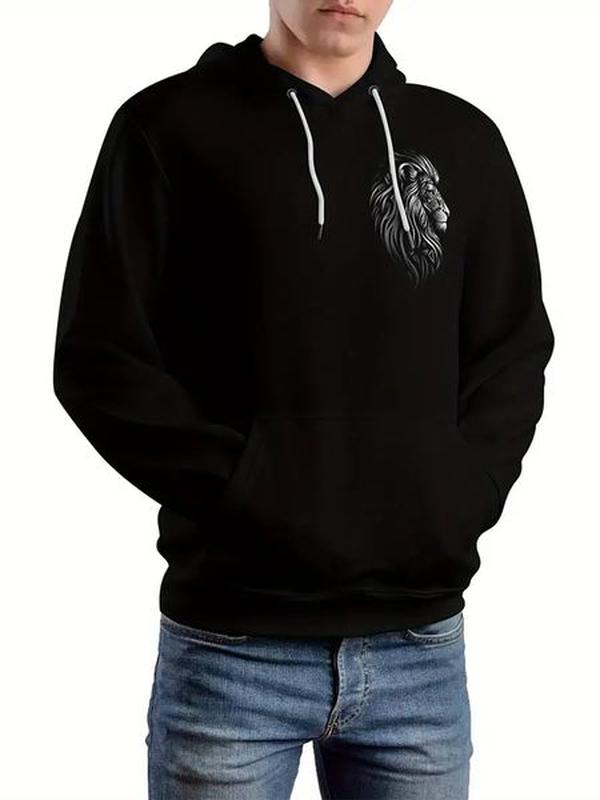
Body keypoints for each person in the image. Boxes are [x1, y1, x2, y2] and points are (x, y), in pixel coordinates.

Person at [52, 0, 555, 797]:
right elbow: (100, 360)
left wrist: (459, 494)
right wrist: (244, 487)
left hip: (418, 652)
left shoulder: (464, 141)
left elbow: (510, 352)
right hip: (231, 652)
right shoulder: (167, 130)